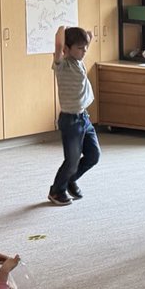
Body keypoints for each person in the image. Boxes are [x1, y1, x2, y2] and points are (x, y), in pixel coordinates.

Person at [48, 25, 99, 207]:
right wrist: (63, 27)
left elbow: (89, 36)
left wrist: (84, 38)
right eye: (80, 48)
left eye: (85, 48)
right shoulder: (62, 65)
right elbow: (59, 40)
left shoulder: (79, 60)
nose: (84, 51)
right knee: (72, 160)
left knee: (93, 155)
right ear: (66, 49)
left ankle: (70, 180)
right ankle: (56, 190)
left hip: (84, 117)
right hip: (70, 120)